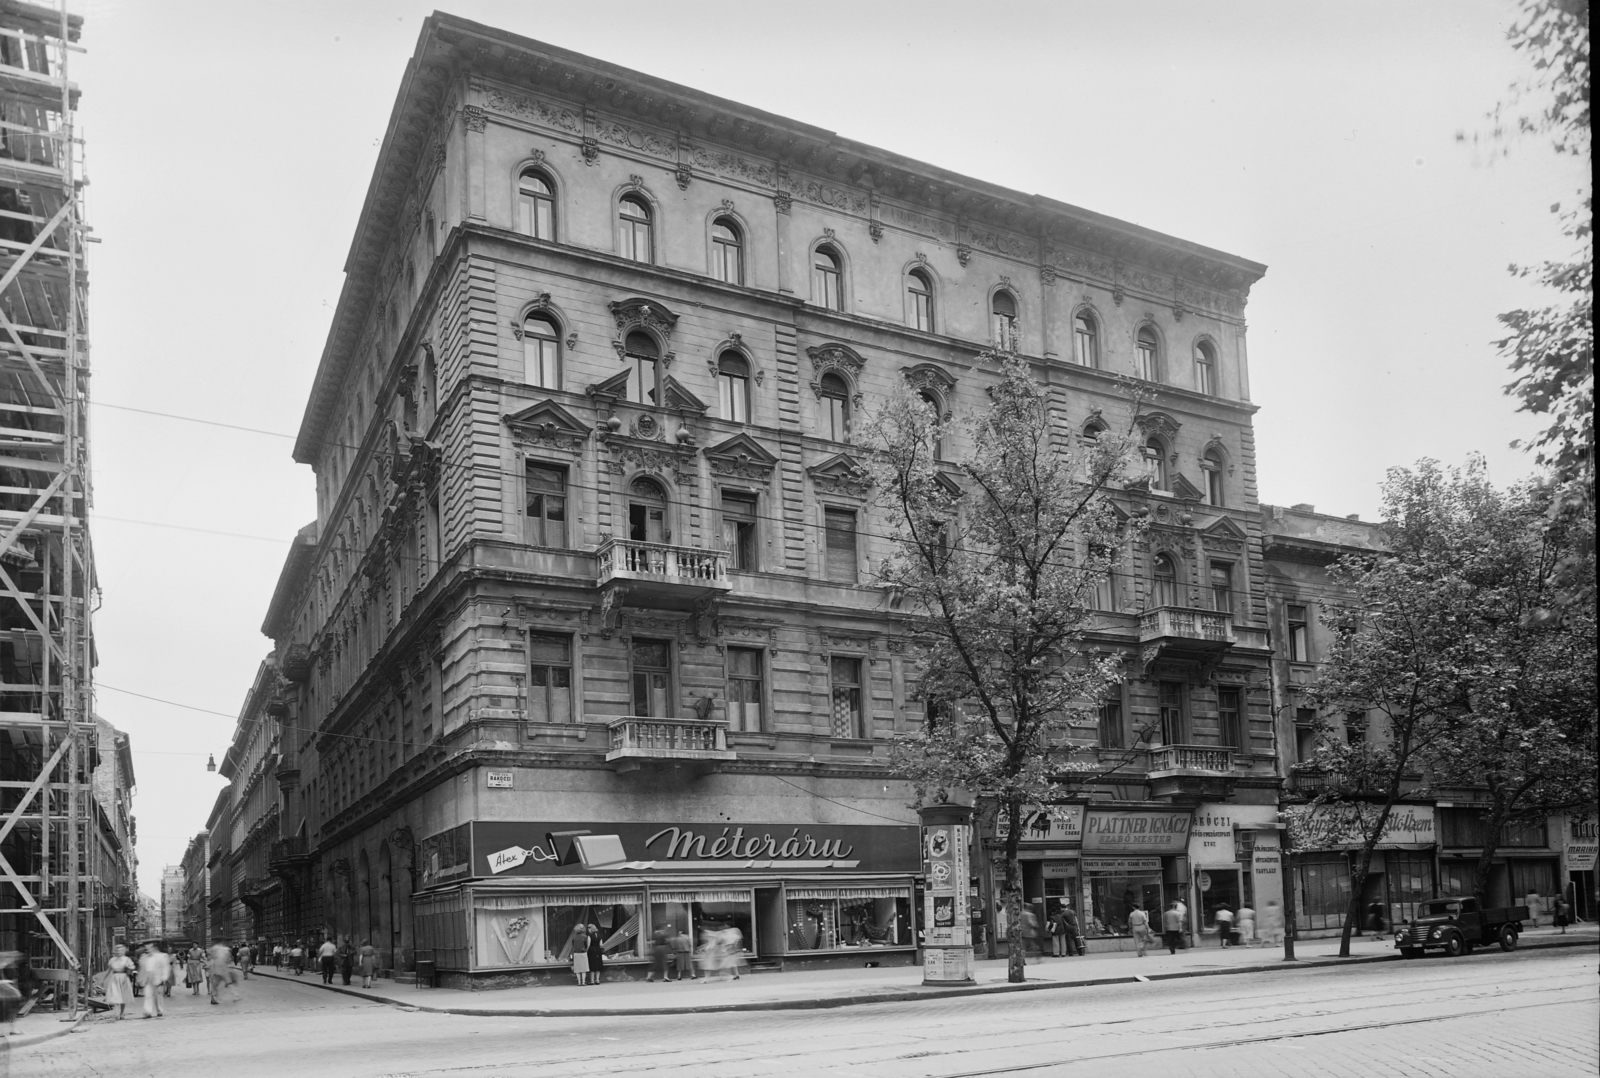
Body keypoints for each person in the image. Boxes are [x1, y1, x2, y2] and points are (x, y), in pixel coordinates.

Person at [104, 944, 136, 1019]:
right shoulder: (112, 960)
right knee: (115, 995)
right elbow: (109, 970)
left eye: (121, 950)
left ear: (124, 951)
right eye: (117, 950)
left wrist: (129, 967)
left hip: (124, 978)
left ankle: (122, 1013)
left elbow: (132, 967)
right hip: (115, 978)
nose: (118, 952)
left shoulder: (127, 959)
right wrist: (104, 979)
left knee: (123, 996)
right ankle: (116, 1013)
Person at [137, 945, 168, 1019]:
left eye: (149, 948)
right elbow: (141, 969)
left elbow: (165, 967)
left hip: (157, 977)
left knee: (158, 996)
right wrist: (139, 979)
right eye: (147, 948)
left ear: (153, 948)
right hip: (147, 977)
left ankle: (159, 1010)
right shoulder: (143, 957)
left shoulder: (161, 956)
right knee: (148, 994)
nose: (148, 950)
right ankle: (148, 1011)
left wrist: (164, 978)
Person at [0, 951, 23, 1036]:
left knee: (11, 1012)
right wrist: (9, 984)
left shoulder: (8, 966)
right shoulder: (3, 967)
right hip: (4, 994)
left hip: (8, 994)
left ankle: (13, 1029)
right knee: (5, 1012)